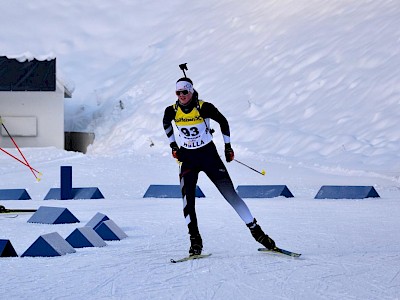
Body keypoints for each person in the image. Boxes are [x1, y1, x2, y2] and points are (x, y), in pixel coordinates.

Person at [163, 77, 276, 256]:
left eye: (185, 92)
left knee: (231, 195)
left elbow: (223, 122)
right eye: (178, 92)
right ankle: (195, 242)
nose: (182, 96)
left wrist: (228, 146)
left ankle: (258, 233)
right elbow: (166, 124)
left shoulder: (204, 106)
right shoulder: (171, 111)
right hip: (188, 159)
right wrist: (174, 146)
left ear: (191, 91)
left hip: (209, 156)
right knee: (188, 202)